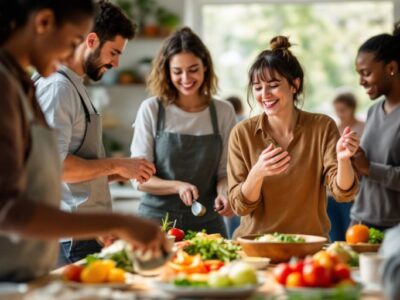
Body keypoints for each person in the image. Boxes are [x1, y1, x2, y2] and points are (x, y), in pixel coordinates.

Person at [0, 0, 165, 282]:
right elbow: (8, 211)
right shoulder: (18, 86)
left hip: (30, 269)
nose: (71, 52)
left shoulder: (23, 83)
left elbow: (43, 178)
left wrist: (112, 182)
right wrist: (120, 222)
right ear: (43, 23)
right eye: (75, 40)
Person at [227, 36, 360, 239]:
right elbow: (239, 207)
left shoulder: (322, 127)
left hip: (310, 245)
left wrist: (343, 160)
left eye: (273, 84)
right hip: (255, 245)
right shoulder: (242, 133)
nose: (265, 94)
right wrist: (257, 173)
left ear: (294, 85)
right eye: (257, 87)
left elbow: (343, 193)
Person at [130, 27, 236, 237]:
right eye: (177, 71)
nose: (186, 78)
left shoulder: (223, 112)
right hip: (157, 224)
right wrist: (177, 186)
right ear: (167, 72)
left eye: (193, 69)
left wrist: (225, 193)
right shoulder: (152, 109)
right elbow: (138, 179)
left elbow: (225, 172)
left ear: (205, 67)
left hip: (208, 225)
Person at [351, 27, 400, 230]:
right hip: (361, 222)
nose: (361, 81)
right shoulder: (373, 111)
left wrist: (369, 168)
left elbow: (369, 168)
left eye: (366, 73)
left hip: (394, 231)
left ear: (391, 68)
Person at [328, 92, 365, 241]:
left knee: (351, 233)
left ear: (353, 108)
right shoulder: (333, 129)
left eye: (343, 110)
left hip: (355, 191)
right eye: (337, 110)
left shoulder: (364, 127)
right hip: (331, 192)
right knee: (334, 235)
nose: (340, 114)